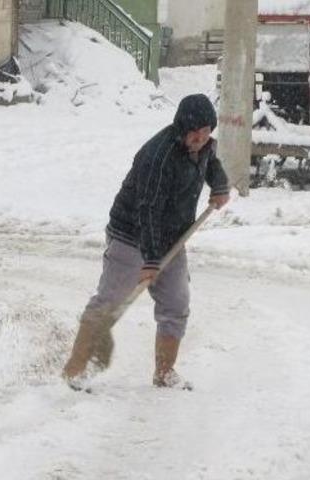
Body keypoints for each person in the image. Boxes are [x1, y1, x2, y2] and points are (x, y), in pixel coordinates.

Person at [62, 93, 230, 389]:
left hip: (172, 237)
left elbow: (210, 162)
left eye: (206, 132)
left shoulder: (203, 146)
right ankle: (74, 370)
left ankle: (164, 373)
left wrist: (219, 185)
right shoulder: (158, 157)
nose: (201, 139)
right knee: (110, 303)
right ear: (182, 127)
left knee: (176, 303)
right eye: (195, 132)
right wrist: (151, 260)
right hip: (132, 236)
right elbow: (148, 209)